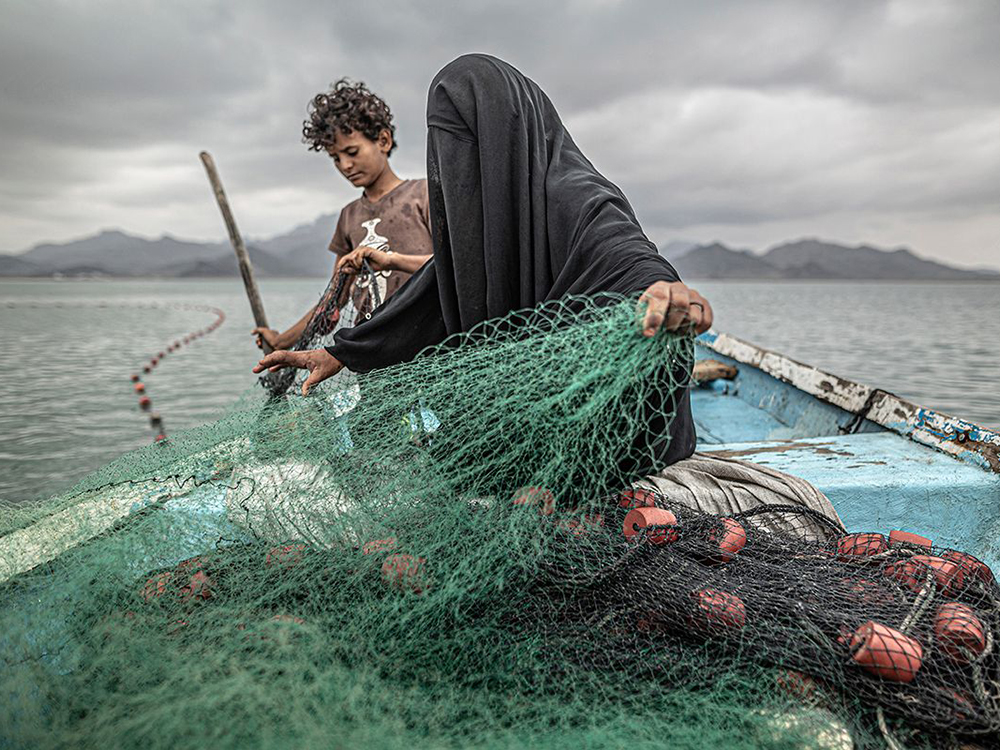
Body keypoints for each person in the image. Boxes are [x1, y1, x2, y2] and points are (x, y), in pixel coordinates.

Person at [254, 54, 713, 469]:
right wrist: (342, 351)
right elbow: (437, 287)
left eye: (468, 146)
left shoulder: (576, 196)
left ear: (503, 135)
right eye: (446, 151)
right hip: (524, 420)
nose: (456, 166)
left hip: (600, 431)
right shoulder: (477, 219)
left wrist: (662, 287)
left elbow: (625, 255)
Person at [253, 79, 434, 351]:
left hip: (428, 345)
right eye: (335, 158)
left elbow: (454, 267)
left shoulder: (424, 195)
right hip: (372, 352)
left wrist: (391, 260)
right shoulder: (349, 216)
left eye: (352, 152)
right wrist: (282, 341)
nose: (345, 165)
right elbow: (334, 301)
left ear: (383, 140)